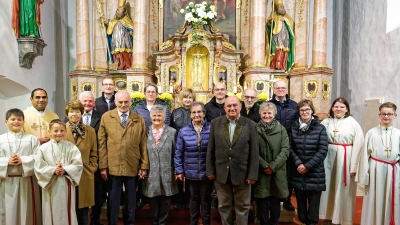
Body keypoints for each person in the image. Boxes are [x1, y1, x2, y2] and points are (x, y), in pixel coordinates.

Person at [98, 90, 149, 225]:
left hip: (132, 164)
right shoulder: (106, 117)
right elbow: (101, 144)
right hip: (113, 165)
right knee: (113, 201)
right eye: (120, 102)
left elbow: (143, 144)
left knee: (131, 201)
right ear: (115, 102)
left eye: (126, 102)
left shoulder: (139, 119)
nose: (123, 104)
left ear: (130, 102)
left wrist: (144, 166)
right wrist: (103, 166)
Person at [206, 96, 259, 225]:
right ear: (224, 108)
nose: (232, 108)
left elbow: (254, 152)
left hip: (243, 173)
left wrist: (252, 174)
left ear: (240, 107)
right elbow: (211, 149)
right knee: (223, 206)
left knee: (243, 207)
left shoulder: (250, 125)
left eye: (235, 105)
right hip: (221, 173)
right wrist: (210, 170)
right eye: (229, 106)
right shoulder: (215, 123)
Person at [319, 97, 364, 225]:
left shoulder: (353, 123)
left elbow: (359, 145)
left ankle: (343, 218)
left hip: (346, 158)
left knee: (343, 189)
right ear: (332, 108)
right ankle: (328, 216)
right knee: (328, 188)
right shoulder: (326, 122)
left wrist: (354, 166)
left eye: (342, 107)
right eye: (336, 106)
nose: (338, 109)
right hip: (328, 158)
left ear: (347, 109)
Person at [357, 102, 400, 225]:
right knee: (375, 199)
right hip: (376, 171)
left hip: (394, 171)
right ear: (379, 115)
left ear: (395, 115)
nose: (386, 116)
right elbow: (365, 156)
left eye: (389, 114)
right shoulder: (371, 133)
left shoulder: (398, 134)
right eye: (383, 114)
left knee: (394, 199)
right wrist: (364, 177)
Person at [34, 119, 83, 225]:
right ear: (49, 131)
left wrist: (65, 170)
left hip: (66, 183)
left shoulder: (71, 147)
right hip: (50, 183)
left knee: (67, 209)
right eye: (55, 131)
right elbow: (38, 167)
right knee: (50, 210)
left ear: (65, 131)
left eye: (61, 131)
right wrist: (53, 170)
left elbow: (78, 165)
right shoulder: (42, 148)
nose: (59, 133)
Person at [288, 99, 328, 225]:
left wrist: (307, 166)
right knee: (300, 203)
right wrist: (299, 164)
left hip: (315, 172)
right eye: (302, 110)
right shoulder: (293, 127)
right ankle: (303, 221)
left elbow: (323, 150)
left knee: (314, 204)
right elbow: (289, 148)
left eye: (307, 109)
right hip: (298, 171)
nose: (305, 112)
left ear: (312, 111)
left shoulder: (320, 128)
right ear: (298, 112)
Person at [0, 108, 42, 225]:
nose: (16, 122)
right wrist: (7, 161)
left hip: (26, 181)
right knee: (8, 211)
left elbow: (39, 158)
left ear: (23, 122)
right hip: (6, 181)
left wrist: (22, 160)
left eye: (19, 119)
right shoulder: (1, 139)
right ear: (6, 122)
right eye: (12, 119)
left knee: (27, 210)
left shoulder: (31, 139)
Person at [175, 101, 213, 225]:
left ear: (204, 113)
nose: (197, 115)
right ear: (190, 114)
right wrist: (179, 170)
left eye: (199, 112)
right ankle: (193, 222)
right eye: (194, 112)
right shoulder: (183, 131)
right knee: (193, 199)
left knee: (206, 199)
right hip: (190, 172)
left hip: (207, 171)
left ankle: (206, 222)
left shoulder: (212, 128)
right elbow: (178, 152)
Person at [253, 102, 289, 225]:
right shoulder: (254, 129)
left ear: (274, 114)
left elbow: (285, 150)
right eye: (264, 113)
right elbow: (253, 151)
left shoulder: (281, 130)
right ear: (260, 114)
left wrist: (272, 166)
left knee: (275, 200)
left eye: (269, 113)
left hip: (277, 171)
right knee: (262, 200)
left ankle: (274, 222)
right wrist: (264, 165)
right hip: (261, 171)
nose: (267, 115)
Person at [143, 105, 178, 225]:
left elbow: (176, 153)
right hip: (151, 172)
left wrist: (176, 171)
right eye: (154, 115)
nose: (157, 118)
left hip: (167, 171)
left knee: (166, 199)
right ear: (150, 117)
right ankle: (154, 221)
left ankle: (163, 222)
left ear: (164, 117)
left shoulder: (172, 132)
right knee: (152, 198)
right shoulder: (145, 132)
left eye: (159, 115)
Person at [64, 101, 98, 225]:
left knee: (83, 208)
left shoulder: (90, 130)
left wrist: (92, 168)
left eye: (77, 111)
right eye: (72, 111)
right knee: (69, 204)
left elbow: (94, 152)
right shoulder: (61, 129)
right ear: (67, 114)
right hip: (66, 173)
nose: (75, 114)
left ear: (81, 113)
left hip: (85, 172)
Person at [268, 80, 297, 211]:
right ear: (273, 90)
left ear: (287, 89)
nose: (280, 90)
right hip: (272, 143)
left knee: (288, 173)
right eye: (278, 88)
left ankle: (287, 199)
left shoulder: (294, 105)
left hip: (289, 142)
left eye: (283, 88)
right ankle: (272, 199)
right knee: (272, 171)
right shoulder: (268, 105)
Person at [170, 88, 196, 210]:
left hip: (192, 148)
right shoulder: (176, 113)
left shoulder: (196, 112)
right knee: (179, 175)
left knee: (190, 176)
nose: (188, 100)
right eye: (185, 97)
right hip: (178, 147)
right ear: (181, 99)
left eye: (190, 97)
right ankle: (178, 199)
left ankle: (189, 200)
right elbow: (170, 129)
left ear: (193, 99)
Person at [100, 0, 134, 70]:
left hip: (124, 40)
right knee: (116, 52)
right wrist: (106, 22)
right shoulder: (114, 20)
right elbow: (109, 29)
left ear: (124, 10)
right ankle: (117, 64)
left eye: (121, 9)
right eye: (118, 9)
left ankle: (125, 64)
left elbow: (131, 27)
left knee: (124, 52)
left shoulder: (127, 19)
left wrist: (131, 32)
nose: (119, 10)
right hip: (115, 40)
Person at [265, 0, 295, 71]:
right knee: (277, 50)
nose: (281, 7)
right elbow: (268, 25)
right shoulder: (273, 15)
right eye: (279, 6)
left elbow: (291, 24)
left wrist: (285, 20)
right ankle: (275, 66)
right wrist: (271, 22)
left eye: (282, 6)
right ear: (276, 7)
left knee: (284, 51)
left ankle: (283, 66)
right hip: (276, 36)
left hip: (285, 37)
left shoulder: (287, 16)